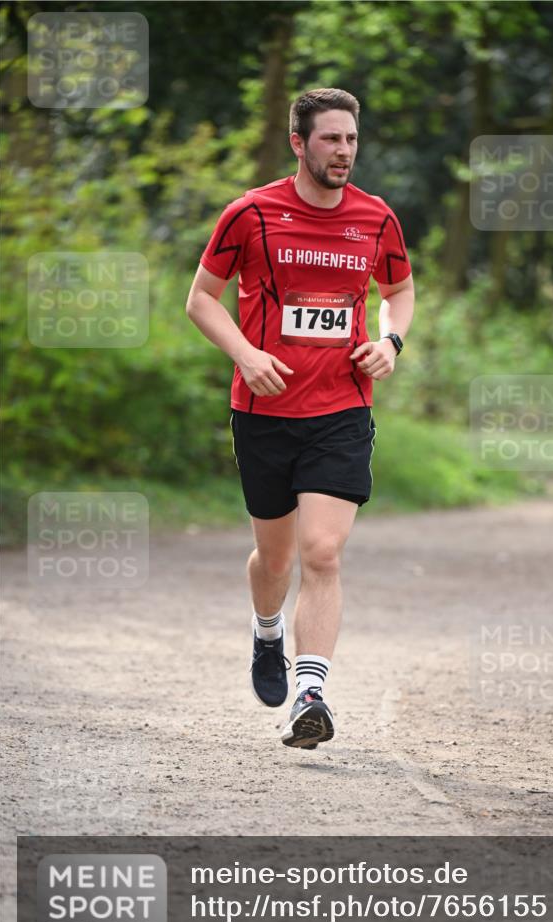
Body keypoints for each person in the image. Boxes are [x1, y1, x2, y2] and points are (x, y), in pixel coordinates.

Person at [186, 88, 414, 749]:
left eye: (350, 139)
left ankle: (309, 693)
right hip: (262, 410)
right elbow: (201, 299)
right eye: (330, 140)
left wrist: (388, 341)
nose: (343, 151)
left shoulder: (375, 219)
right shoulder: (250, 214)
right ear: (299, 143)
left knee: (323, 552)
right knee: (276, 557)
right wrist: (245, 353)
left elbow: (397, 292)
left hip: (342, 407)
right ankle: (266, 633)